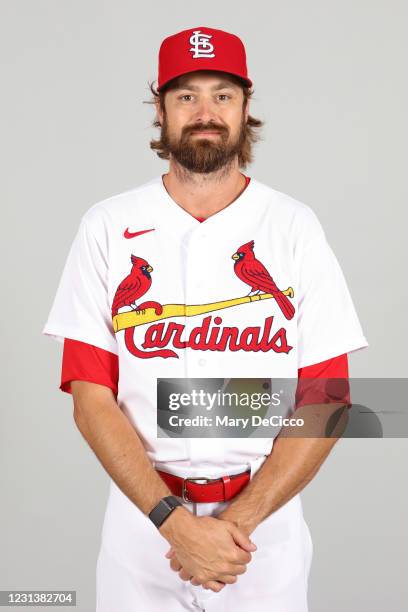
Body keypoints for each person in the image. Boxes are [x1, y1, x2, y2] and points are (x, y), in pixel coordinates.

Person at [42, 26, 368, 612]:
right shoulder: (107, 225)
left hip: (262, 531)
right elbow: (91, 395)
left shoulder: (293, 226)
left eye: (222, 94)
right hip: (143, 527)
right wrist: (174, 524)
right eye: (186, 95)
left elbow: (327, 397)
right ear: (160, 110)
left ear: (246, 108)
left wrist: (237, 526)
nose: (205, 111)